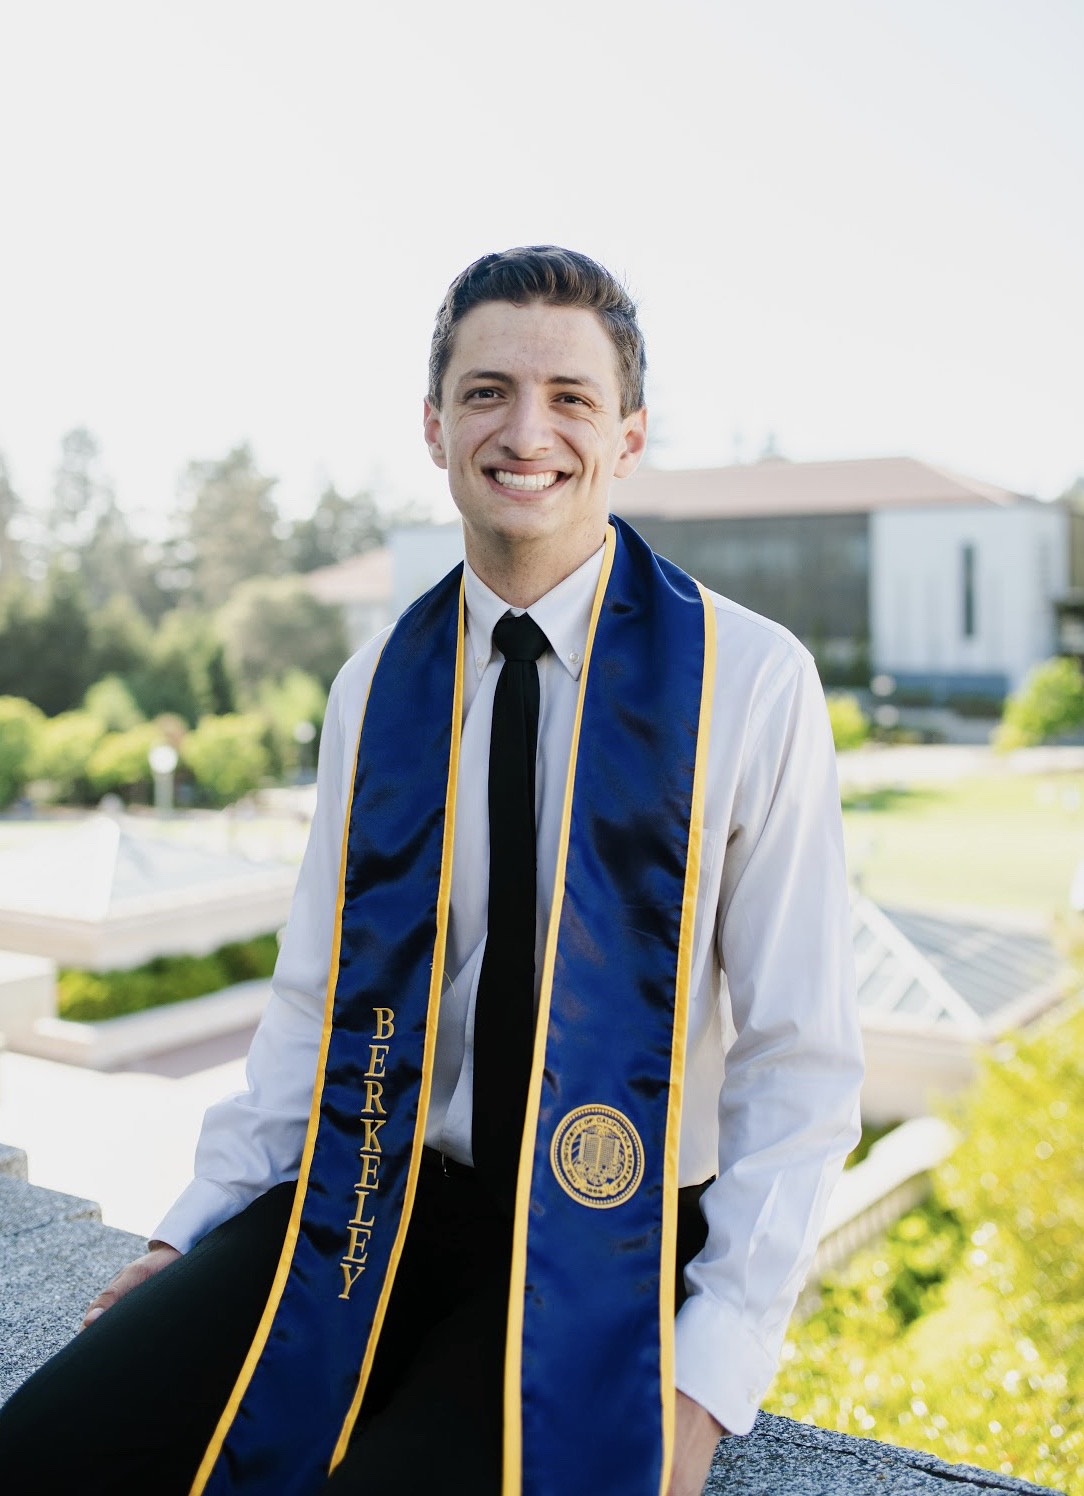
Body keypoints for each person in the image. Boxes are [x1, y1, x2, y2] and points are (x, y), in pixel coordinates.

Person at [0, 247, 863, 1496]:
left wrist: (704, 1376)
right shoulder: (381, 683)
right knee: (48, 1451)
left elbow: (801, 1058)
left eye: (570, 397)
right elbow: (312, 999)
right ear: (432, 425)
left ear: (627, 436)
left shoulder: (753, 680)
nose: (526, 431)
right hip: (373, 1194)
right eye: (485, 391)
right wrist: (190, 1229)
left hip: (613, 1225)